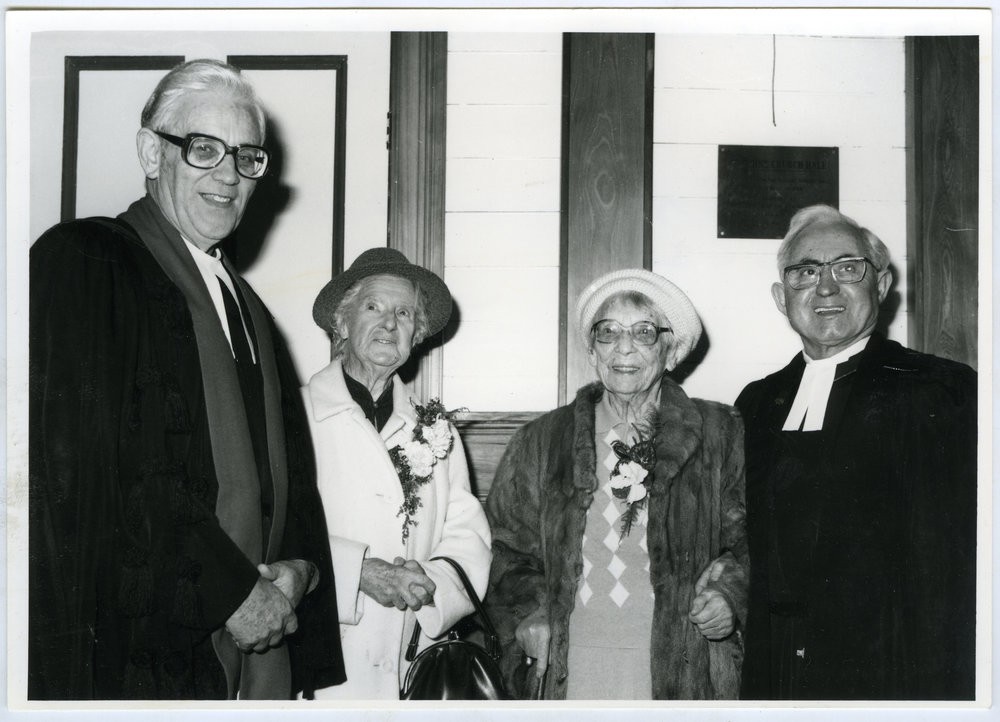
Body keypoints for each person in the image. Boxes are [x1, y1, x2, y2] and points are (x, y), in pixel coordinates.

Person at [29, 59, 345, 700]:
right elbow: (86, 473)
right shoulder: (87, 263)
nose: (228, 174)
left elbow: (287, 481)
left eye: (246, 157)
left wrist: (300, 569)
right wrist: (229, 591)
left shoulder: (250, 309)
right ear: (152, 152)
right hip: (137, 652)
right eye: (203, 149)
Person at [737, 204, 977, 700]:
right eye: (806, 272)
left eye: (847, 268)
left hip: (893, 669)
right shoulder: (756, 403)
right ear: (782, 298)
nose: (826, 287)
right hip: (775, 667)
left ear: (882, 286)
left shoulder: (943, 391)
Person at [485, 268, 748, 700]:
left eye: (644, 332)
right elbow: (505, 552)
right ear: (592, 350)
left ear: (670, 350)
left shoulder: (720, 432)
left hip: (686, 667)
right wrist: (532, 612)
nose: (624, 347)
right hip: (569, 666)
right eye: (608, 332)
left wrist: (730, 595)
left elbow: (754, 541)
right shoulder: (542, 440)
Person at [304, 247, 492, 699]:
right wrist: (356, 572)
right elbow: (271, 530)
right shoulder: (294, 414)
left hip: (412, 661)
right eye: (373, 307)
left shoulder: (436, 428)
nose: (389, 324)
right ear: (342, 324)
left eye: (404, 313)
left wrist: (428, 587)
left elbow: (466, 534)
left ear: (416, 334)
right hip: (321, 654)